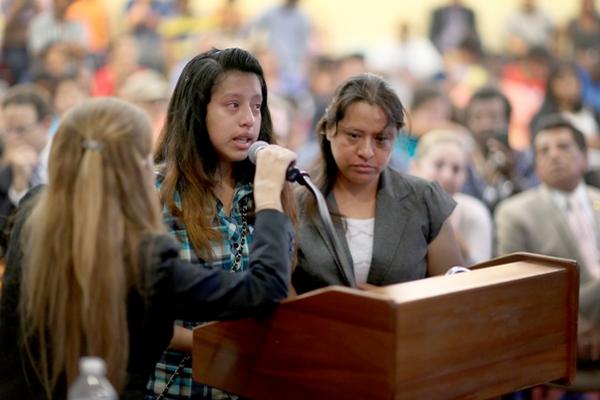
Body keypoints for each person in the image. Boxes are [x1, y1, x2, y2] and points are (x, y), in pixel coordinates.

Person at [0, 97, 296, 399]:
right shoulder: (146, 260)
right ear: (138, 171)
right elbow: (264, 287)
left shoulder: (30, 211)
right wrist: (269, 198)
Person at [148, 48, 297, 399]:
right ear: (198, 112)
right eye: (233, 105)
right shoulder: (156, 192)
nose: (248, 119)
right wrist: (224, 343)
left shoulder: (267, 188)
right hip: (177, 388)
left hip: (250, 384)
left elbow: (280, 284)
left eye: (257, 106)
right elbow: (141, 314)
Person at [292, 73, 463, 295]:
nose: (366, 152)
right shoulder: (295, 203)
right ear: (330, 130)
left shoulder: (424, 200)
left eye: (381, 139)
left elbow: (456, 293)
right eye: (354, 136)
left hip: (406, 327)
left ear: (396, 139)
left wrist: (393, 304)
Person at [410, 129, 493, 265]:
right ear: (415, 167)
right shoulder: (398, 209)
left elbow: (482, 271)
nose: (447, 176)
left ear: (465, 177)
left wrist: (446, 226)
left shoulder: (475, 212)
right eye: (438, 165)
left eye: (456, 169)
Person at [0, 84, 53, 234]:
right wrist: (18, 187)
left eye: (21, 130)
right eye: (8, 130)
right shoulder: (5, 169)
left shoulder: (67, 158)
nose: (13, 138)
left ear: (46, 124)